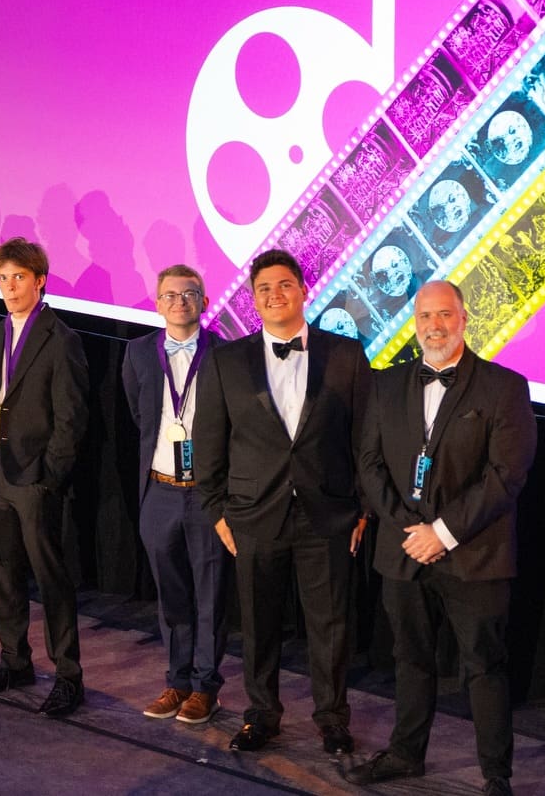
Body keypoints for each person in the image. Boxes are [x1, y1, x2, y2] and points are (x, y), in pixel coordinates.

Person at [348, 281, 537, 796]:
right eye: (426, 315)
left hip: (474, 554)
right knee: (410, 659)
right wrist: (409, 529)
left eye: (445, 315)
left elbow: (506, 476)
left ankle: (496, 777)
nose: (435, 325)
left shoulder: (503, 387)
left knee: (484, 667)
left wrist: (443, 533)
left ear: (465, 318)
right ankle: (407, 754)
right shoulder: (386, 386)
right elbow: (368, 463)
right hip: (405, 550)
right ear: (415, 321)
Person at [194, 248, 371, 756]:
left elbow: (364, 440)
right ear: (253, 300)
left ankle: (333, 719)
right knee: (258, 625)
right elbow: (210, 442)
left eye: (284, 285)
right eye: (264, 289)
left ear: (303, 290)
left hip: (328, 516)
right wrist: (216, 512)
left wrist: (363, 510)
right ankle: (261, 715)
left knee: (331, 627)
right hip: (252, 515)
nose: (275, 295)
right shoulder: (227, 360)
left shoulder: (345, 355)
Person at [0, 237, 88, 718]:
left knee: (50, 579)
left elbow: (71, 419)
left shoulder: (62, 339)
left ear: (39, 282)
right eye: (3, 278)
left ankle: (68, 676)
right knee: (2, 573)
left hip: (34, 480)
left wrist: (48, 477)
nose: (9, 287)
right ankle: (15, 662)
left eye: (18, 278)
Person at [121, 264, 230, 725]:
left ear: (204, 303)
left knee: (211, 594)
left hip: (206, 495)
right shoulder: (138, 352)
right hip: (160, 491)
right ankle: (177, 680)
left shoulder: (227, 355)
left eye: (190, 294)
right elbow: (137, 414)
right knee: (172, 595)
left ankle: (206, 687)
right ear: (157, 301)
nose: (180, 301)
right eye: (170, 294)